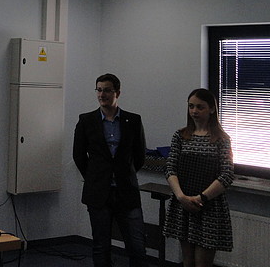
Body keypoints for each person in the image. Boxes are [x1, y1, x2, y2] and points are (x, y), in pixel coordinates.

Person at [73, 73, 147, 267]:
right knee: (101, 246)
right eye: (99, 90)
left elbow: (139, 156)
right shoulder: (86, 120)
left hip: (126, 192)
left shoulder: (133, 120)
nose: (102, 94)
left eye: (107, 90)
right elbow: (79, 155)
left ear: (117, 93)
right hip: (98, 193)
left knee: (137, 247)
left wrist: (124, 174)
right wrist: (95, 177)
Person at [163, 88, 234, 267]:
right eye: (191, 106)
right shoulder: (180, 136)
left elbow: (226, 174)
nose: (194, 111)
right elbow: (170, 169)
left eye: (200, 107)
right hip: (183, 203)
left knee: (202, 262)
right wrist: (181, 197)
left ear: (212, 109)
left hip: (209, 206)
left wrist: (201, 198)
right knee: (187, 261)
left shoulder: (221, 139)